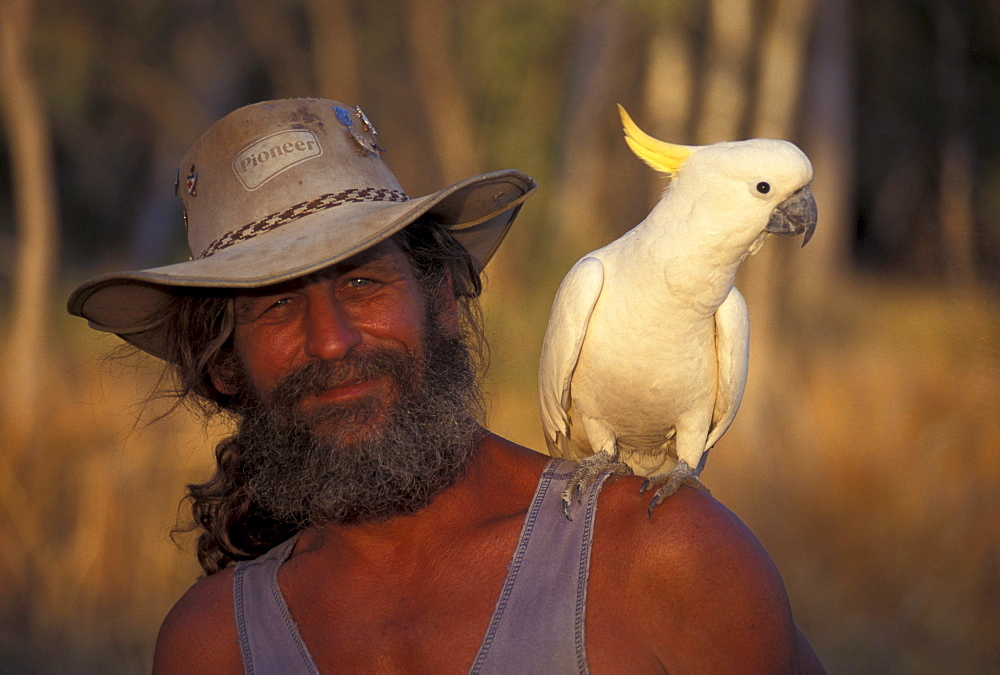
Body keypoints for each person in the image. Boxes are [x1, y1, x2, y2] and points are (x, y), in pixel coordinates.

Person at [69, 98, 823, 673]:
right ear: (227, 364)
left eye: (362, 280)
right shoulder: (210, 644)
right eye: (276, 303)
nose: (331, 339)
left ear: (442, 301)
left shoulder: (672, 554)